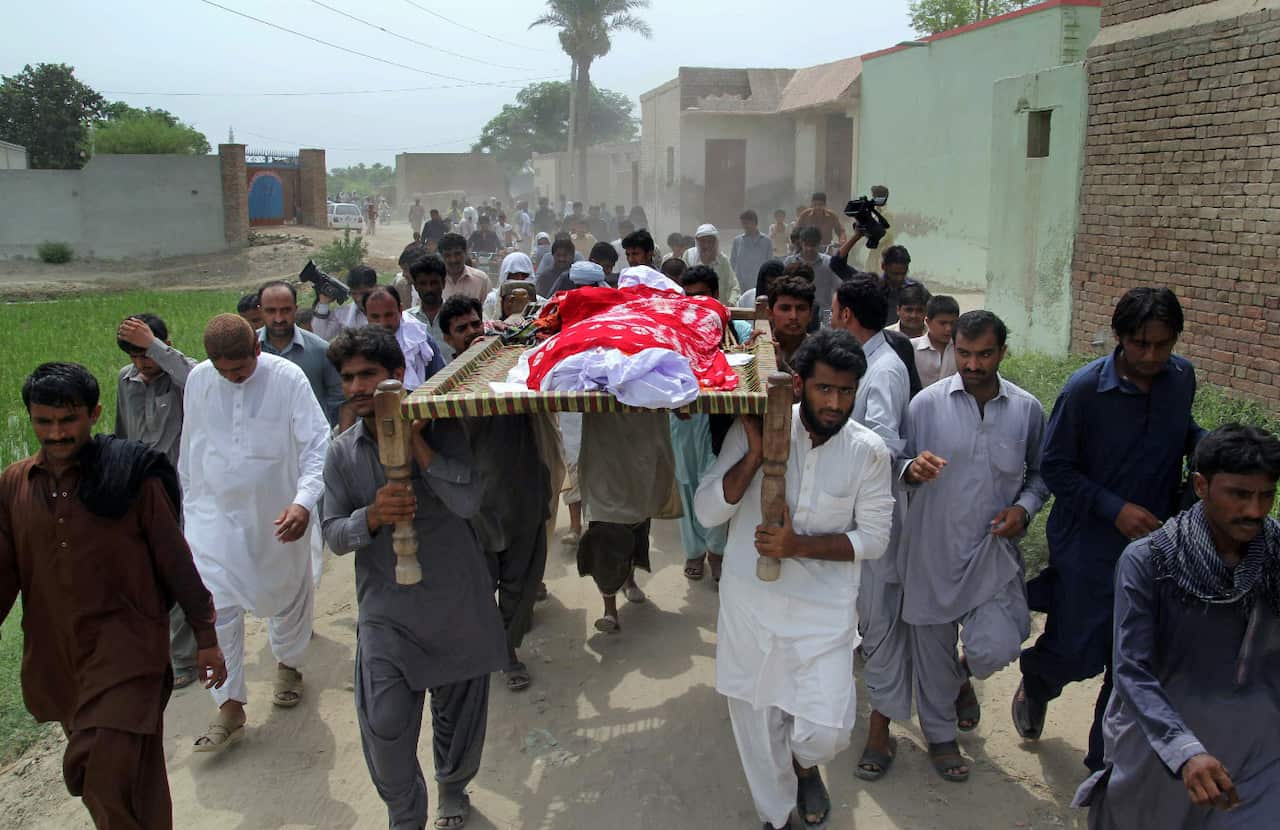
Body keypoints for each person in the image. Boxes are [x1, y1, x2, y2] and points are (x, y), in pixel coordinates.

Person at [1, 362, 226, 829]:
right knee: (134, 779)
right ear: (30, 418)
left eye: (69, 421)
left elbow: (175, 560)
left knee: (100, 771)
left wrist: (206, 633)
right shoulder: (15, 485)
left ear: (95, 414)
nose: (57, 433)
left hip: (129, 649)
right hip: (60, 656)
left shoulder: (130, 477)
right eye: (44, 422)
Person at [695, 328, 894, 830]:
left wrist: (797, 545)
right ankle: (776, 815)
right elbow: (707, 512)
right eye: (825, 389)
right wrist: (756, 455)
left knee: (825, 731)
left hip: (822, 615)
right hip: (751, 607)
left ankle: (805, 765)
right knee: (758, 728)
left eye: (846, 391)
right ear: (800, 384)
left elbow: (874, 540)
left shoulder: (868, 451)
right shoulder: (756, 431)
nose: (835, 401)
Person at [322, 326, 506, 830]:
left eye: (369, 376)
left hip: (456, 603)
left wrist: (418, 447)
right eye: (349, 378)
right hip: (388, 613)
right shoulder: (341, 452)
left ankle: (452, 788)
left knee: (458, 716)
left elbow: (468, 501)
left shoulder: (444, 431)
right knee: (384, 725)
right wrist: (373, 516)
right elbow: (334, 535)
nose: (358, 387)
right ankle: (405, 816)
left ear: (398, 377)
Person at [1016, 287, 1205, 772]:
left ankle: (1104, 765)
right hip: (1087, 546)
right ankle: (1038, 677)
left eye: (1163, 345)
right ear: (1119, 338)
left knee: (1132, 659)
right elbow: (1055, 467)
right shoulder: (1084, 391)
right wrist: (1113, 508)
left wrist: (1214, 451)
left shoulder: (1180, 378)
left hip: (1155, 547)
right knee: (1079, 649)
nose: (1152, 355)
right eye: (1141, 344)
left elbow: (1182, 433)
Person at [1073, 423, 1280, 829]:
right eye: (1240, 494)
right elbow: (1132, 670)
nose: (1255, 511)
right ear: (1201, 485)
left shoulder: (1274, 556)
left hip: (1259, 749)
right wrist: (1183, 750)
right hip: (1161, 743)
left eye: (1266, 496)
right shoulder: (1150, 560)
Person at [898, 310, 1048, 783]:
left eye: (984, 354)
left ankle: (963, 675)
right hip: (933, 547)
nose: (973, 364)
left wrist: (1024, 509)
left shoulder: (1027, 410)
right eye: (964, 353)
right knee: (931, 651)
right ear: (953, 349)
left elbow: (1042, 474)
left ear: (1003, 352)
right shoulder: (925, 405)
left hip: (991, 550)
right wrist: (910, 468)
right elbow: (894, 459)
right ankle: (941, 738)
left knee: (1001, 643)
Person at [181, 315, 330, 754]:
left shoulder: (288, 378)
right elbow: (192, 444)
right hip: (214, 515)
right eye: (223, 370)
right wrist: (189, 505)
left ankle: (288, 663)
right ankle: (229, 705)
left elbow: (317, 444)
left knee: (286, 595)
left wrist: (303, 501)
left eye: (240, 369)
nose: (232, 378)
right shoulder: (198, 379)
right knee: (218, 607)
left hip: (277, 513)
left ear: (258, 351)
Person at [828, 279, 913, 783]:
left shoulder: (882, 369)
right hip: (849, 517)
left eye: (832, 309)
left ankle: (881, 731)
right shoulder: (864, 361)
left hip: (874, 519)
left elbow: (883, 441)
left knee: (880, 627)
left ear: (845, 315)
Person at [114, 314, 201, 689]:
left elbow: (197, 381)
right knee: (146, 573)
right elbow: (122, 432)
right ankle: (156, 652)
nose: (142, 364)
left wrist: (156, 347)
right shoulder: (125, 380)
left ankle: (186, 657)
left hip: (181, 491)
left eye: (146, 353)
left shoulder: (185, 377)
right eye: (135, 356)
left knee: (179, 566)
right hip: (141, 491)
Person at [577, 403, 675, 633]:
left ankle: (629, 579)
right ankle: (609, 609)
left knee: (638, 521)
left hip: (643, 445)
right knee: (604, 532)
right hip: (604, 450)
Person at [258, 281, 345, 427]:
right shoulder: (247, 350)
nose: (278, 318)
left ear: (295, 309)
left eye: (285, 310)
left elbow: (339, 401)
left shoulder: (321, 351)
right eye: (271, 311)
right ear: (260, 311)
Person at [363, 286, 443, 391]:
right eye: (375, 317)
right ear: (366, 315)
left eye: (389, 315)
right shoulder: (361, 347)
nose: (382, 323)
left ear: (400, 310)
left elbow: (440, 380)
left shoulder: (420, 339)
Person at [784, 226, 839, 325]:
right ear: (801, 243)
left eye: (813, 245)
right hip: (796, 315)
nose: (809, 249)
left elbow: (837, 288)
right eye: (807, 245)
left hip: (823, 316)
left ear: (819, 244)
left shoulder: (828, 263)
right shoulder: (790, 262)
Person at [311, 264, 377, 342]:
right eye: (354, 293)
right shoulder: (342, 314)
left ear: (375, 288)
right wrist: (323, 303)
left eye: (363, 293)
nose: (359, 299)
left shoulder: (386, 310)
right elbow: (320, 336)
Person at [683, 224, 739, 305]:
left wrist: (731, 303)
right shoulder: (689, 256)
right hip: (694, 306)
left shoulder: (722, 260)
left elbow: (734, 286)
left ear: (716, 242)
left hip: (719, 307)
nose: (707, 245)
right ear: (697, 242)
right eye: (703, 241)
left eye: (710, 241)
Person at [767, 276, 815, 369]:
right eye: (785, 309)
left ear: (811, 314)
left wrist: (783, 367)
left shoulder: (821, 353)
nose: (794, 316)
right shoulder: (760, 346)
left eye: (801, 309)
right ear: (770, 313)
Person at [912, 294, 959, 388]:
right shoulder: (912, 348)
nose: (948, 329)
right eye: (942, 323)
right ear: (927, 321)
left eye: (952, 323)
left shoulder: (961, 349)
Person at [731, 210, 774, 305]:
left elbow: (769, 262)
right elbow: (733, 262)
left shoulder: (766, 241)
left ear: (755, 222)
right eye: (743, 223)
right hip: (741, 284)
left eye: (747, 223)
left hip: (759, 284)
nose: (745, 226)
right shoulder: (737, 241)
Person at [483, 251, 537, 320]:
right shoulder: (492, 299)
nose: (519, 279)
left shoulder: (538, 301)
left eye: (524, 275)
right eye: (514, 275)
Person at [438, 233, 490, 302]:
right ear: (441, 256)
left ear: (466, 252)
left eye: (457, 254)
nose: (453, 260)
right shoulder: (434, 280)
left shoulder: (482, 280)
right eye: (447, 255)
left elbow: (488, 310)